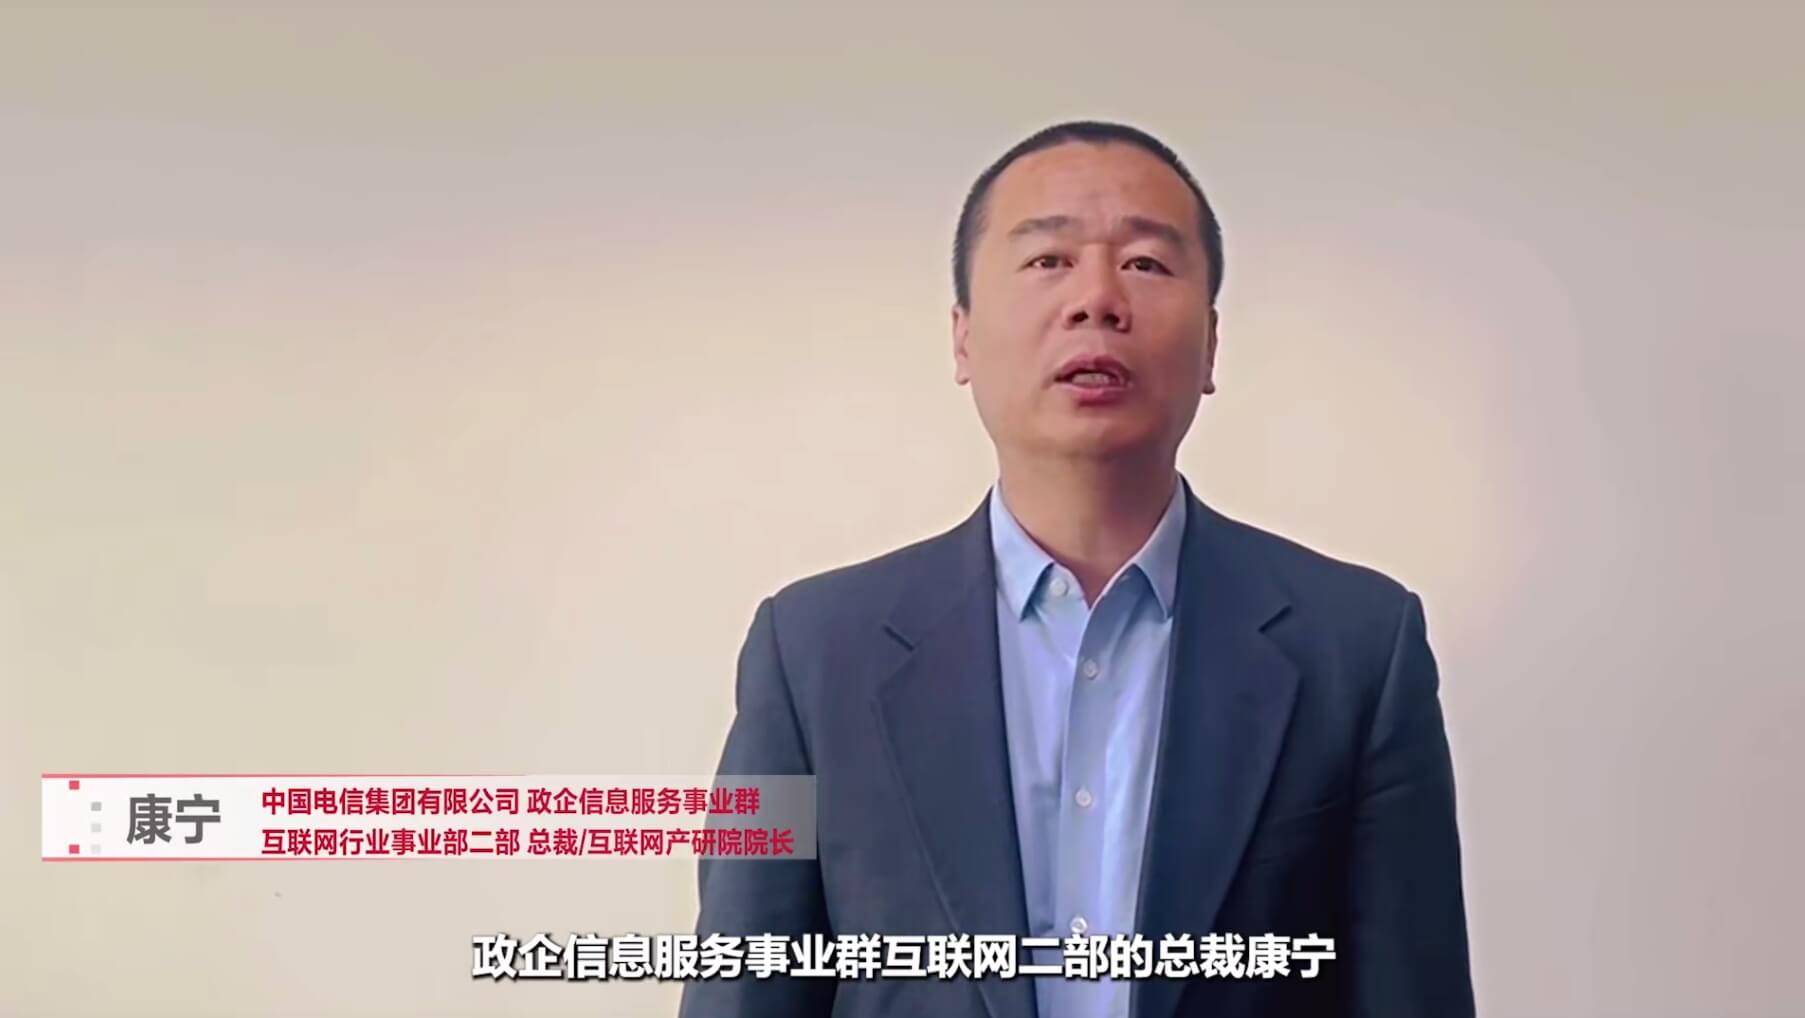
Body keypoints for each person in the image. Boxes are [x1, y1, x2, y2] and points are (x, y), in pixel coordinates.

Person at [678, 119, 1473, 1018]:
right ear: (962, 338)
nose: (1097, 299)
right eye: (1047, 260)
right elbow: (742, 988)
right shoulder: (809, 653)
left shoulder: (1357, 647)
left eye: (1145, 263)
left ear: (1210, 346)